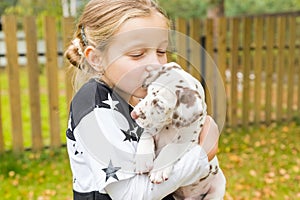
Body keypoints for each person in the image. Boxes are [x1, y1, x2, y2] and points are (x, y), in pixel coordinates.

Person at [64, 0, 224, 199]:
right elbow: (132, 195)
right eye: (137, 54)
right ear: (96, 58)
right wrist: (201, 155)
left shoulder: (145, 96)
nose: (155, 65)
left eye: (161, 51)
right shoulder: (93, 107)